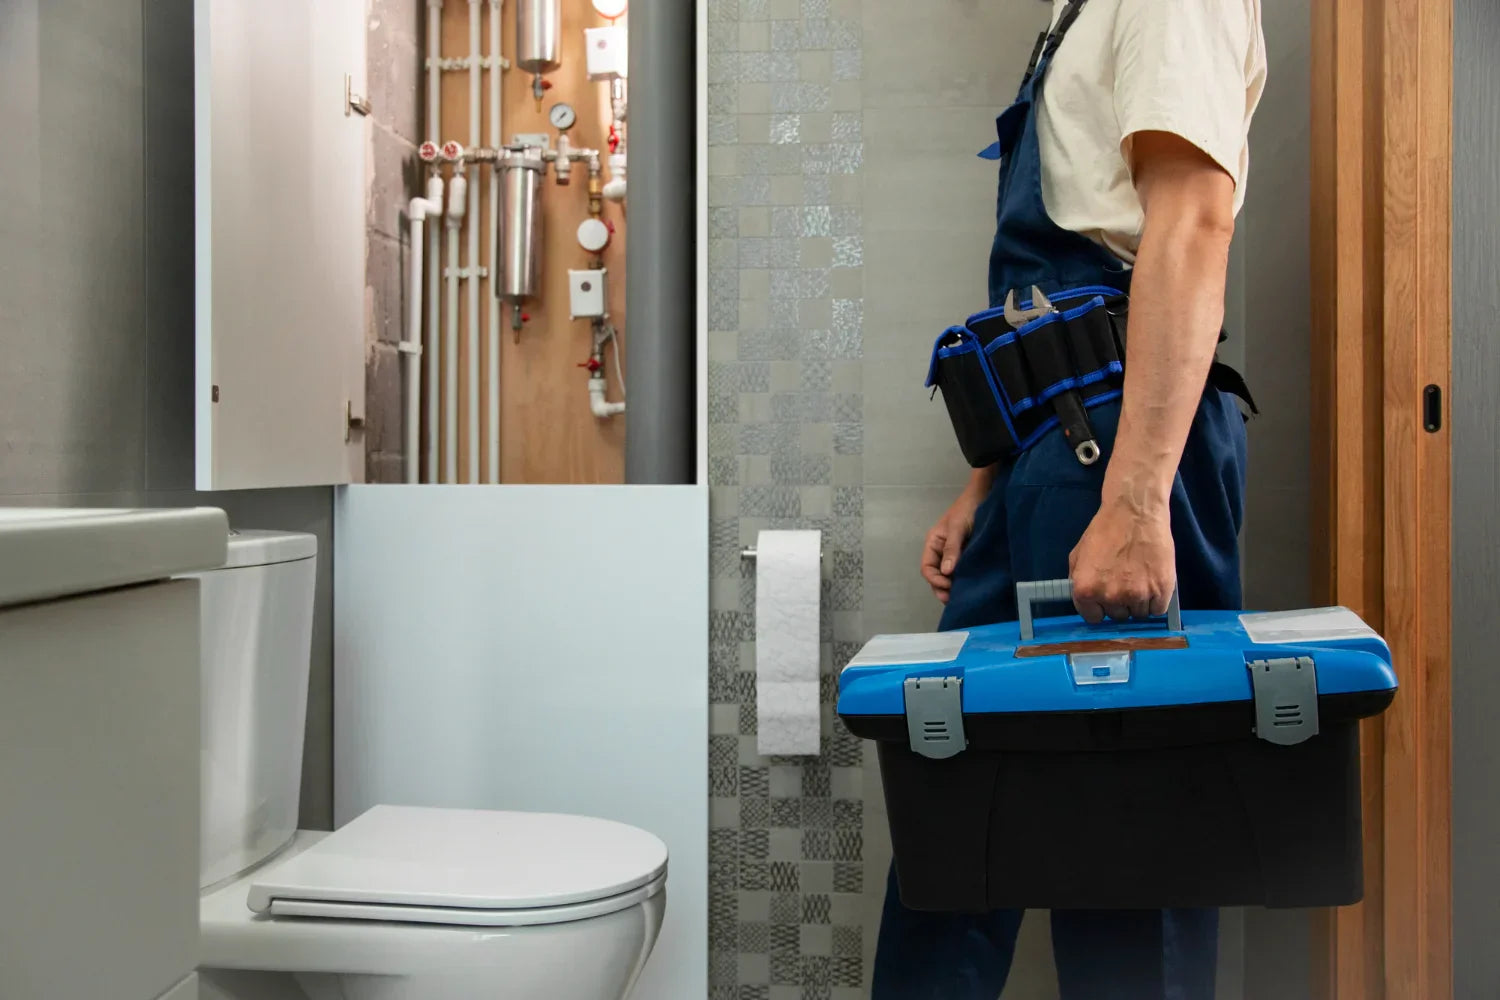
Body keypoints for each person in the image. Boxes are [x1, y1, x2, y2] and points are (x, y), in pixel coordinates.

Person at [869, 0, 1267, 998]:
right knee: (958, 826)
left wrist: (1135, 500)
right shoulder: (1074, 13)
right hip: (1056, 449)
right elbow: (1044, 316)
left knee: (1129, 859)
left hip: (1122, 449)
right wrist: (988, 482)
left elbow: (1190, 222)